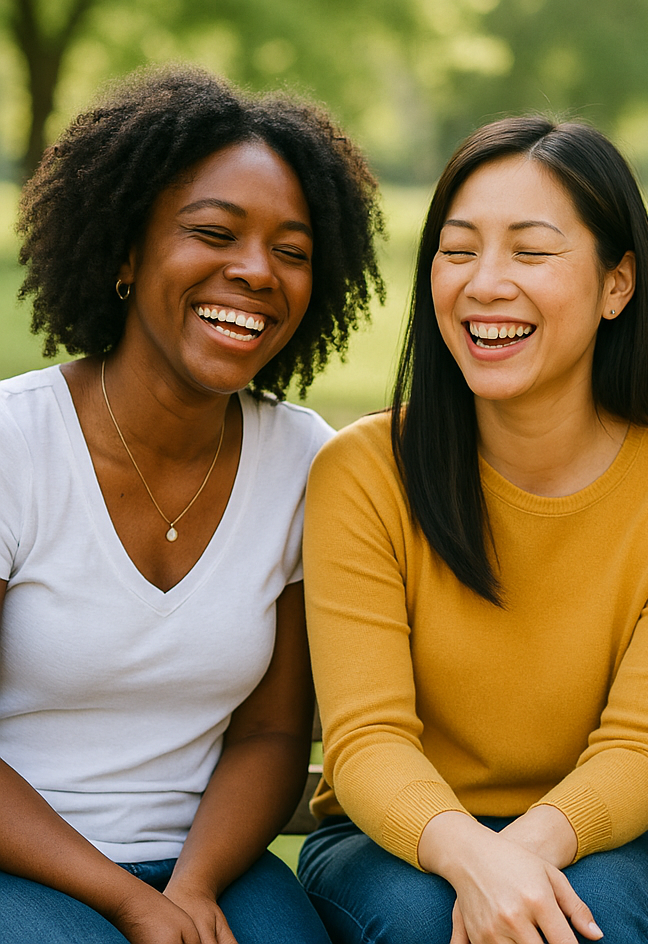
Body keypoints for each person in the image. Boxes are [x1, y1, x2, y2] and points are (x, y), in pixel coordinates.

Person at [296, 116, 648, 944]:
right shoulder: (363, 472)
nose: (485, 283)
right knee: (427, 924)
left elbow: (645, 749)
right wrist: (474, 859)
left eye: (531, 252)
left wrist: (520, 859)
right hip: (393, 841)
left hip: (618, 840)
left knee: (581, 925)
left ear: (618, 285)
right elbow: (366, 741)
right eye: (459, 248)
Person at [0, 67, 384, 944]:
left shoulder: (302, 460)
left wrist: (194, 886)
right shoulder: (13, 446)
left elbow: (273, 733)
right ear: (126, 254)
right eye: (214, 233)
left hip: (207, 861)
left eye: (292, 252)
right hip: (19, 860)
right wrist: (129, 902)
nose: (255, 272)